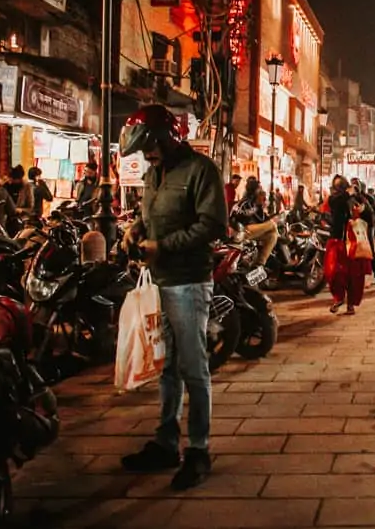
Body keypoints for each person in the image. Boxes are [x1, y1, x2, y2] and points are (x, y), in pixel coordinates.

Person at [119, 104, 227, 491]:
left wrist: (162, 246)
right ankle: (167, 441)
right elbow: (147, 216)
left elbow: (212, 224)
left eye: (151, 146)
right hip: (158, 283)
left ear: (168, 138)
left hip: (188, 283)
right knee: (167, 367)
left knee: (194, 369)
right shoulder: (152, 175)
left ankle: (198, 449)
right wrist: (135, 231)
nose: (147, 155)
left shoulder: (201, 171)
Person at [326, 175, 372, 314]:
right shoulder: (335, 199)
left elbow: (370, 217)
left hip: (354, 243)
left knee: (354, 276)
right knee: (335, 273)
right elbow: (335, 203)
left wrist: (361, 208)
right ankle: (339, 298)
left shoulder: (357, 199)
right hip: (338, 241)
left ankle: (350, 304)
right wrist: (347, 194)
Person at [231, 182, 278, 267]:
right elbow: (237, 218)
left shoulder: (254, 203)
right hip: (241, 231)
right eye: (259, 188)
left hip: (250, 230)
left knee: (273, 235)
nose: (261, 190)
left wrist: (261, 206)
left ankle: (260, 263)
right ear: (254, 190)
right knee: (272, 225)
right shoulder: (245, 202)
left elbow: (261, 220)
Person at [352, 180, 375, 285]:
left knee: (369, 251)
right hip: (353, 228)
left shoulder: (367, 199)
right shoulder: (350, 198)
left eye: (356, 186)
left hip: (366, 228)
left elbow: (373, 214)